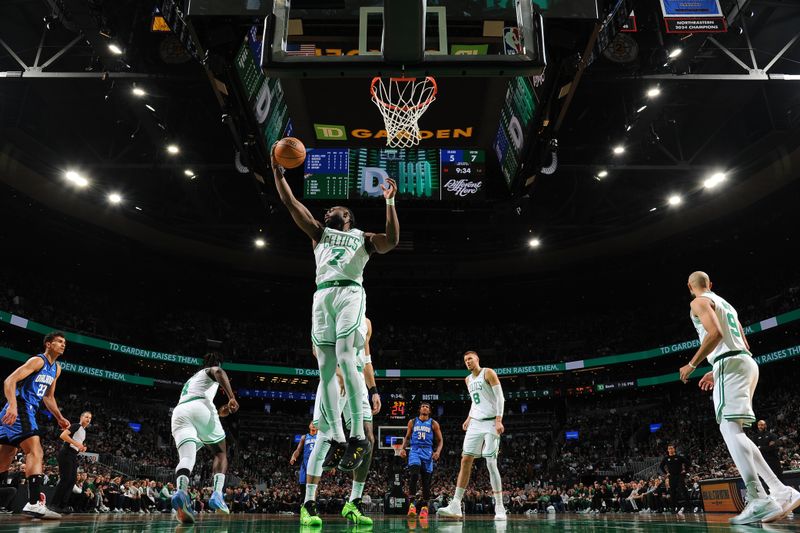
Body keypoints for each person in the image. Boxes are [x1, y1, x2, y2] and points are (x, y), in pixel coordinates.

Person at [269, 144, 399, 478]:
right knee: (326, 368)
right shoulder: (318, 234)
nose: (328, 212)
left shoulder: (363, 238)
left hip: (349, 294)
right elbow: (290, 203)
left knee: (344, 355)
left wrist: (390, 203)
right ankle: (340, 439)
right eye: (326, 211)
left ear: (349, 218)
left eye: (334, 210)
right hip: (321, 296)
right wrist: (277, 172)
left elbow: (393, 241)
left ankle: (358, 435)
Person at [679, 271, 800, 524]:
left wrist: (692, 364)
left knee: (729, 429)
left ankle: (759, 499)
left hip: (730, 365)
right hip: (744, 362)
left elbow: (715, 334)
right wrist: (716, 368)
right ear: (711, 284)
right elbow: (741, 341)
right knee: (737, 432)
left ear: (691, 287)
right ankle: (780, 490)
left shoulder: (698, 302)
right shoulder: (726, 304)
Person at [0, 331, 70, 519]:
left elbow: (48, 396)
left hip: (23, 410)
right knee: (36, 451)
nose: (63, 345)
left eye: (65, 343)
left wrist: (59, 417)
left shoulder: (56, 368)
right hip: (21, 408)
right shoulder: (37, 361)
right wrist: (13, 406)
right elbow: (10, 380)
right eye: (59, 342)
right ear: (48, 344)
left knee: (5, 456)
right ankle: (33, 503)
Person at [170, 351, 239, 524]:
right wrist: (231, 397)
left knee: (187, 457)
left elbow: (218, 413)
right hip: (200, 408)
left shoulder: (193, 380)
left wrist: (226, 408)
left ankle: (181, 493)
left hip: (180, 412)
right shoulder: (212, 371)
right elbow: (218, 373)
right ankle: (217, 494)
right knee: (220, 452)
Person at [437, 351, 506, 521]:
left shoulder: (488, 372)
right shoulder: (467, 379)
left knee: (490, 461)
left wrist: (499, 420)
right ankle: (455, 504)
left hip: (491, 422)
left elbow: (500, 397)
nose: (468, 361)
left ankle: (499, 506)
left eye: (470, 358)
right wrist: (468, 418)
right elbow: (476, 401)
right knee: (465, 459)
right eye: (465, 360)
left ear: (477, 359)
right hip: (475, 422)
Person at [340, 318, 382, 526]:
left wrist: (373, 390)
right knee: (324, 437)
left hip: (358, 379)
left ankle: (353, 501)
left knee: (369, 438)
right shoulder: (336, 309)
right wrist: (336, 374)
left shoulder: (366, 322)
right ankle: (308, 502)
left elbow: (366, 360)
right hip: (337, 376)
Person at [401, 402, 443, 520]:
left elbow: (440, 440)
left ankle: (424, 507)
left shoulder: (434, 424)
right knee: (414, 474)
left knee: (426, 482)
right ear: (420, 409)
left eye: (427, 407)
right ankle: (412, 505)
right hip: (415, 450)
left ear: (429, 411)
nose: (425, 408)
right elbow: (407, 437)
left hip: (428, 452)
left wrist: (438, 452)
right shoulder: (412, 422)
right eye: (423, 406)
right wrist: (403, 448)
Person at [50, 410, 92, 514]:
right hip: (66, 453)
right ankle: (53, 505)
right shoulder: (76, 426)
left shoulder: (84, 431)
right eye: (86, 417)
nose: (88, 419)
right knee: (66, 479)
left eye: (90, 418)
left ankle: (62, 505)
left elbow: (77, 444)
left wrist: (81, 448)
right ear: (81, 417)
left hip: (73, 455)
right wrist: (77, 444)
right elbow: (63, 436)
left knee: (72, 480)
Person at [658, 444, 690, 515]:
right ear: (668, 450)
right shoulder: (666, 458)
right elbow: (661, 466)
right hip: (671, 477)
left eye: (672, 448)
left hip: (679, 476)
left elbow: (688, 463)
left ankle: (688, 507)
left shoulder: (679, 457)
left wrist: (685, 470)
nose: (670, 450)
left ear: (674, 449)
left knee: (683, 491)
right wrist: (666, 473)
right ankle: (674, 508)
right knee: (672, 493)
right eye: (669, 448)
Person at [753, 420, 784, 485]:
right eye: (759, 425)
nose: (760, 426)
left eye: (762, 425)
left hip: (773, 460)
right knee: (767, 480)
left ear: (765, 425)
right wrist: (766, 447)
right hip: (763, 461)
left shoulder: (772, 435)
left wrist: (760, 447)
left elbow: (773, 447)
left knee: (778, 478)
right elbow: (755, 449)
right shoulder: (755, 437)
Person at [290, 422, 318, 493]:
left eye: (315, 423)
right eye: (312, 423)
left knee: (313, 486)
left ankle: (311, 502)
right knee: (302, 484)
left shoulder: (320, 437)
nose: (314, 425)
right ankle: (303, 502)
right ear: (309, 426)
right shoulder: (304, 437)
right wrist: (293, 456)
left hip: (315, 462)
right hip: (305, 463)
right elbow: (298, 450)